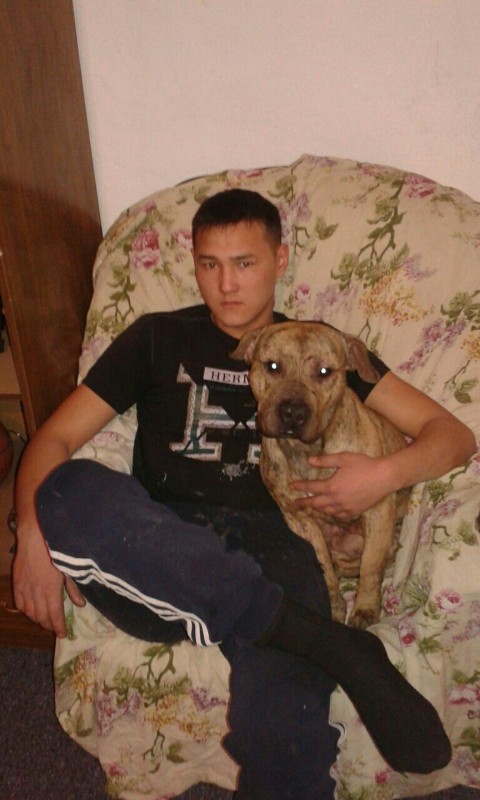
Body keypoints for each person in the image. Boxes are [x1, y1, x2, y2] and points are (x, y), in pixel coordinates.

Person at [13, 189, 475, 799]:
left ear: (280, 260)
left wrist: (381, 476)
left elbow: (453, 436)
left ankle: (282, 628)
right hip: (159, 547)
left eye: (245, 263)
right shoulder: (156, 338)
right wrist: (32, 531)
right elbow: (54, 438)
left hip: (277, 548)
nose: (226, 284)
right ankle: (331, 644)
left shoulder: (320, 351)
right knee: (67, 490)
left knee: (286, 727)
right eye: (210, 264)